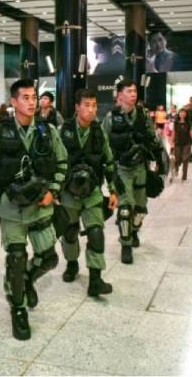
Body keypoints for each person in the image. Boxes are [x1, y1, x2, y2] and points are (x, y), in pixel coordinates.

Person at [0, 78, 68, 341]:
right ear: (13, 102)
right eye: (25, 98)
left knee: (48, 258)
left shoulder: (48, 131)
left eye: (33, 97)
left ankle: (27, 280)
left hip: (41, 206)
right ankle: (18, 309)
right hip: (11, 208)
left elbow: (63, 163)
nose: (31, 102)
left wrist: (53, 191)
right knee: (16, 259)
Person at [58, 89, 118, 297]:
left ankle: (95, 280)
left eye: (94, 105)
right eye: (87, 105)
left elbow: (109, 162)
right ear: (77, 107)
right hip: (68, 193)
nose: (91, 110)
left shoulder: (99, 132)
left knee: (96, 232)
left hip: (92, 192)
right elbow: (53, 163)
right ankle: (72, 263)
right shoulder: (62, 131)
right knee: (70, 233)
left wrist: (112, 190)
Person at [102, 79, 164, 264]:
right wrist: (107, 170)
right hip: (121, 168)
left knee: (140, 208)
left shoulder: (143, 115)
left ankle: (134, 231)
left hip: (141, 167)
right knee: (125, 209)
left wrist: (159, 159)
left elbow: (153, 138)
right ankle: (125, 244)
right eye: (129, 91)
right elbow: (104, 145)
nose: (133, 94)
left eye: (135, 91)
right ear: (119, 95)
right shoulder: (110, 118)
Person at [172, 108, 192, 182]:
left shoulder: (188, 123)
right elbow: (173, 133)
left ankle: (184, 176)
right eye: (181, 112)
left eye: (184, 112)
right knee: (177, 158)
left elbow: (191, 133)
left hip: (187, 143)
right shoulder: (175, 123)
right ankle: (176, 169)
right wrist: (172, 142)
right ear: (179, 114)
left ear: (186, 114)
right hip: (177, 143)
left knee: (185, 159)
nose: (182, 114)